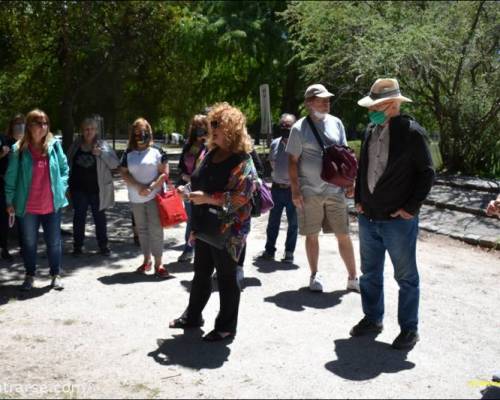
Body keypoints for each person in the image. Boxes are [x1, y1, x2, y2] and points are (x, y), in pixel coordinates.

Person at [350, 78, 435, 350]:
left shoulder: (412, 132)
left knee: (406, 277)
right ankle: (372, 319)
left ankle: (409, 330)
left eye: (375, 106)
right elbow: (363, 167)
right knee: (369, 274)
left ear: (390, 105)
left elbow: (427, 174)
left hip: (397, 221)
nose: (370, 111)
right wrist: (360, 199)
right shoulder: (370, 130)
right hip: (369, 217)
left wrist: (410, 208)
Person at [170, 102, 256, 342]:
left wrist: (209, 198)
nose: (213, 129)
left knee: (227, 278)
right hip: (205, 225)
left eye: (218, 125)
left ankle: (226, 326)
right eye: (212, 125)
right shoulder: (208, 153)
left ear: (233, 129)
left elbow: (242, 197)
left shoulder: (243, 159)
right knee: (201, 273)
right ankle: (193, 316)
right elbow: (199, 182)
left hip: (229, 231)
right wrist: (186, 190)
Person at [286, 84, 360, 293]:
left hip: (336, 190)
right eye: (321, 99)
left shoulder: (336, 123)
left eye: (328, 99)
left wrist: (350, 182)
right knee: (312, 234)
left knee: (343, 233)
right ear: (309, 103)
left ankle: (353, 277)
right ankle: (315, 274)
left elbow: (346, 155)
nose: (326, 102)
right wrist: (295, 190)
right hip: (310, 190)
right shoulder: (299, 128)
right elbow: (292, 161)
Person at [5, 109, 69, 291]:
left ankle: (55, 274)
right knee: (29, 242)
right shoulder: (19, 149)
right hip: (28, 207)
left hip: (51, 205)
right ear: (29, 126)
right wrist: (9, 201)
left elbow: (64, 170)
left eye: (45, 123)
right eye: (38, 123)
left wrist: (62, 188)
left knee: (54, 241)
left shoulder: (54, 145)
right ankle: (30, 275)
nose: (43, 127)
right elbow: (11, 178)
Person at [120, 118, 169, 278]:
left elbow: (164, 173)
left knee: (156, 228)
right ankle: (146, 260)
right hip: (135, 197)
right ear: (133, 134)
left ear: (149, 131)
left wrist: (151, 186)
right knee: (141, 229)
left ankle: (159, 263)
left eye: (144, 131)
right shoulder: (128, 153)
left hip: (154, 196)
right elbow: (124, 173)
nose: (141, 135)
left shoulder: (158, 151)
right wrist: (138, 187)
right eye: (137, 132)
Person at [67, 117, 119, 256]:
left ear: (96, 130)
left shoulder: (103, 145)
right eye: (86, 129)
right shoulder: (75, 145)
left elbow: (115, 164)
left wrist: (101, 154)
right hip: (78, 190)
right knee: (79, 218)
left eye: (92, 129)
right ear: (82, 131)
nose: (89, 131)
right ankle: (78, 246)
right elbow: (67, 164)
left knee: (100, 219)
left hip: (97, 190)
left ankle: (103, 245)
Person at [258, 113, 298, 264]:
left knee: (293, 223)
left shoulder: (299, 144)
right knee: (273, 222)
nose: (285, 128)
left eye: (289, 126)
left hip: (293, 189)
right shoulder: (274, 143)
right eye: (283, 126)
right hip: (276, 189)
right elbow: (271, 164)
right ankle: (269, 251)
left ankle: (289, 253)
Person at [176, 114, 208, 263]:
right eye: (196, 127)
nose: (199, 130)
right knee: (191, 220)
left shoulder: (210, 146)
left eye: (202, 126)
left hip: (203, 190)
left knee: (201, 220)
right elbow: (180, 167)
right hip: (187, 189)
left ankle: (201, 251)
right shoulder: (188, 145)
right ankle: (189, 249)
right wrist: (184, 177)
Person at [0, 114, 25, 260]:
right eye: (16, 123)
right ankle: (4, 248)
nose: (20, 126)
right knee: (4, 218)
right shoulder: (5, 141)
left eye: (22, 123)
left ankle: (24, 247)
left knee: (23, 216)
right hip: (4, 185)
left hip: (23, 186)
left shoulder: (28, 143)